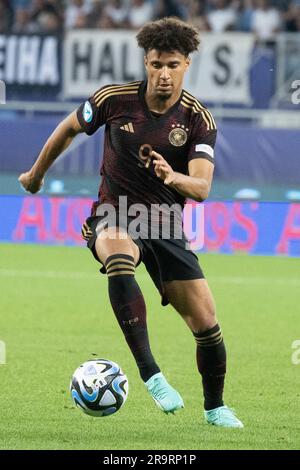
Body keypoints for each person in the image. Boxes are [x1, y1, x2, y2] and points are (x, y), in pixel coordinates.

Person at [19, 17, 243, 428]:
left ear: (186, 65)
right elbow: (68, 129)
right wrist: (36, 174)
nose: (163, 74)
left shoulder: (197, 120)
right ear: (145, 61)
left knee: (207, 325)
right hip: (114, 214)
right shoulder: (113, 99)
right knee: (118, 258)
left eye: (172, 65)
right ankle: (151, 375)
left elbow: (203, 188)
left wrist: (172, 177)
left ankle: (215, 407)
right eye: (156, 64)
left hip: (165, 224)